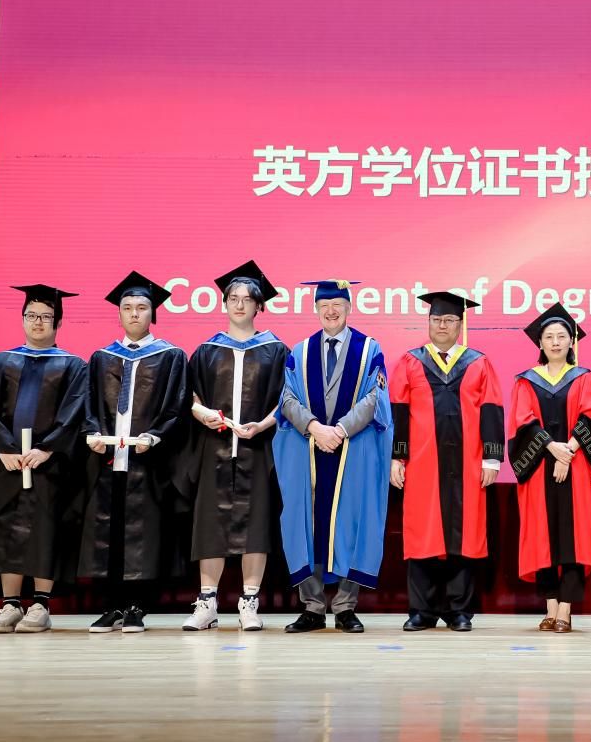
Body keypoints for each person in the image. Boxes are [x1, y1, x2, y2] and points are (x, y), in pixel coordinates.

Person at [0, 285, 88, 633]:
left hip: (48, 464)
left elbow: (74, 412)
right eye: (31, 315)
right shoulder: (0, 361)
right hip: (7, 463)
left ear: (58, 322)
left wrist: (47, 449)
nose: (38, 322)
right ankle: (10, 605)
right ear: (23, 319)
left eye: (46, 316)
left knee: (45, 533)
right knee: (7, 532)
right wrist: (4, 449)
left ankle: (41, 605)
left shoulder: (73, 365)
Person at [274, 279, 392, 635]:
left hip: (351, 450)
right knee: (305, 523)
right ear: (315, 309)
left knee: (352, 522)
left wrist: (340, 430)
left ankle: (344, 607)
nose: (331, 311)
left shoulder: (369, 349)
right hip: (309, 450)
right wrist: (314, 427)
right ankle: (312, 608)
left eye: (338, 304)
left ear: (349, 308)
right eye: (324, 305)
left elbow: (375, 398)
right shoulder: (300, 351)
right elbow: (287, 400)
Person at [176, 261, 288, 632]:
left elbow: (287, 400)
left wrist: (263, 425)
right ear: (224, 303)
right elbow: (188, 396)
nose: (239, 305)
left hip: (258, 449)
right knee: (210, 524)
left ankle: (249, 602)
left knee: (256, 526)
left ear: (259, 305)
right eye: (233, 298)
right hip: (215, 448)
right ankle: (207, 603)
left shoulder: (276, 351)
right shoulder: (207, 351)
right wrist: (202, 413)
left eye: (247, 299)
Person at [389, 290, 505, 632]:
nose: (442, 325)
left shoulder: (478, 363)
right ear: (428, 322)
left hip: (468, 463)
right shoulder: (410, 361)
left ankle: (459, 610)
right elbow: (398, 412)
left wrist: (492, 458)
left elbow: (492, 410)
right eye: (436, 319)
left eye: (450, 319)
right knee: (422, 532)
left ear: (460, 324)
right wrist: (397, 456)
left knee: (463, 533)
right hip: (422, 463)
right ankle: (421, 611)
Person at [82, 271, 189, 634]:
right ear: (119, 313)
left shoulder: (171, 356)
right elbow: (90, 405)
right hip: (109, 461)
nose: (134, 313)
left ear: (152, 312)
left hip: (149, 463)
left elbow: (176, 408)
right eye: (127, 307)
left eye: (141, 307)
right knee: (109, 533)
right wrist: (92, 433)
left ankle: (137, 606)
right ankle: (111, 605)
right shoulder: (101, 358)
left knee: (143, 536)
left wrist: (156, 437)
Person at [508, 303, 591, 634]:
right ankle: (550, 608)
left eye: (562, 336)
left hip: (575, 466)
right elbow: (524, 421)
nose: (556, 342)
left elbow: (589, 417)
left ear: (571, 341)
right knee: (543, 537)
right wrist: (553, 450)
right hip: (539, 466)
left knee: (572, 537)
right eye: (549, 337)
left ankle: (566, 609)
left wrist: (568, 453)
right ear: (540, 342)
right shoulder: (526, 381)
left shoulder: (584, 377)